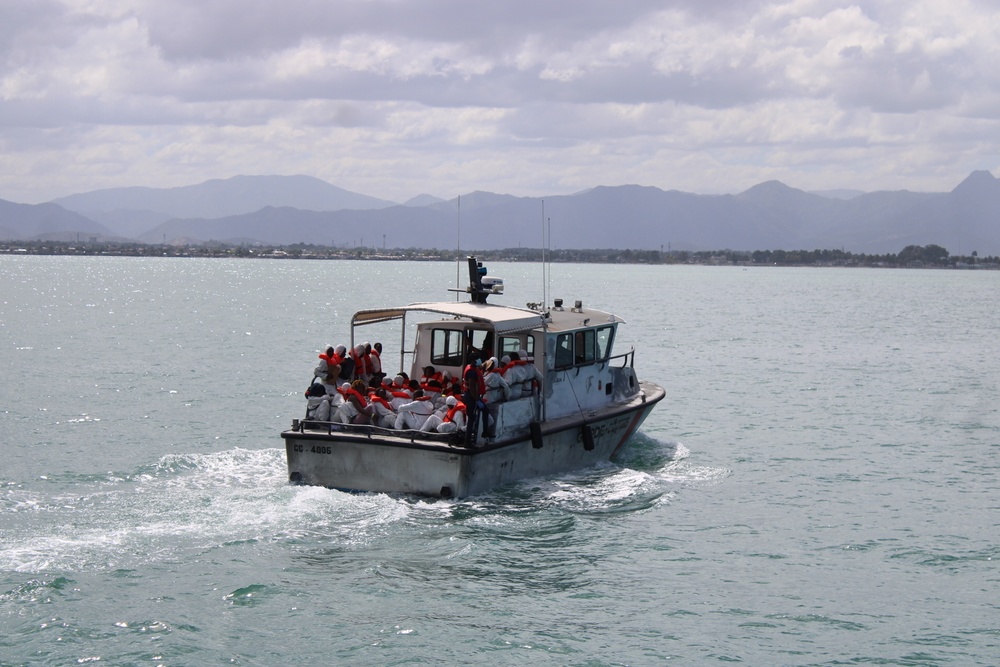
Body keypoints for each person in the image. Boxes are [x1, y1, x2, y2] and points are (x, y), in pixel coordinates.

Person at [481, 357, 510, 437]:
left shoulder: (490, 375)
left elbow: (481, 383)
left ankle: (483, 431)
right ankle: (485, 431)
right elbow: (506, 386)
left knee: (486, 417)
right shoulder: (497, 375)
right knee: (488, 417)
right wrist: (507, 397)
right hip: (491, 399)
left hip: (485, 399)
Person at [462, 357, 485, 446]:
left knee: (474, 416)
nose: (480, 361)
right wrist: (476, 399)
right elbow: (471, 387)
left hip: (470, 395)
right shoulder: (472, 372)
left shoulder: (472, 369)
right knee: (471, 418)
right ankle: (468, 441)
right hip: (471, 396)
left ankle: (470, 438)